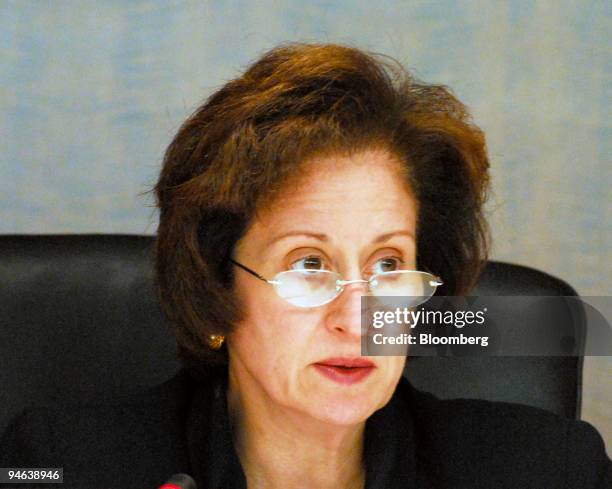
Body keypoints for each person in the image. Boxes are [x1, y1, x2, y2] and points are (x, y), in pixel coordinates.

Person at [1, 42, 610, 489]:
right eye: (309, 263)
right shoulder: (57, 465)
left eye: (388, 263)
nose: (357, 317)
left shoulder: (550, 469)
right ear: (216, 288)